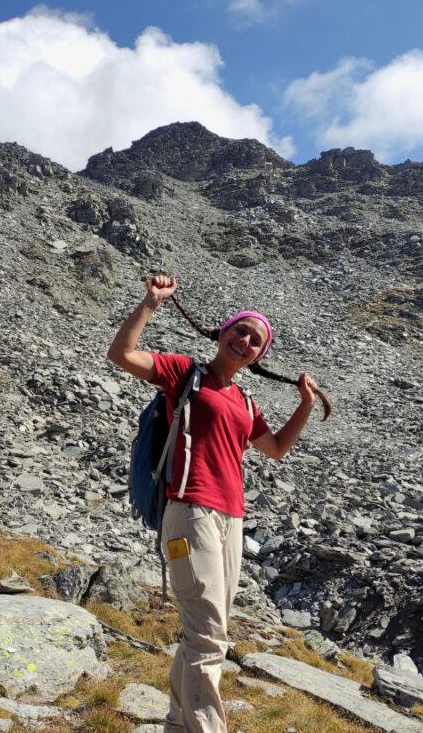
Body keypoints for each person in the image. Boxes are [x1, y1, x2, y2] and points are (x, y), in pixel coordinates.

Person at [107, 274, 323, 733]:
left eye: (255, 340)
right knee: (209, 636)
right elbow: (121, 355)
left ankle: (178, 726)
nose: (244, 340)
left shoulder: (245, 401)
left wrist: (304, 405)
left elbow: (278, 448)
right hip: (189, 512)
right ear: (222, 332)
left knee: (204, 632)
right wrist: (151, 302)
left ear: (259, 355)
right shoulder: (186, 373)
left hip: (230, 519)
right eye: (239, 330)